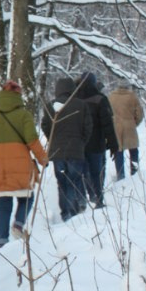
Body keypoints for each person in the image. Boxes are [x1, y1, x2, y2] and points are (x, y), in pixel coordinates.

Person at [0, 80, 48, 245]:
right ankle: (18, 224)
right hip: (19, 166)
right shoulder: (24, 115)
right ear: (18, 96)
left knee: (3, 204)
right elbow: (32, 140)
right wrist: (43, 159)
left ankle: (2, 241)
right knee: (27, 198)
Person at [41, 76, 93, 222]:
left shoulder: (50, 106)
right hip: (76, 150)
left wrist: (53, 139)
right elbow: (88, 127)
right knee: (74, 180)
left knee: (62, 183)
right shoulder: (81, 105)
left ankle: (66, 212)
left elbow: (45, 125)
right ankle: (74, 208)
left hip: (57, 152)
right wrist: (82, 141)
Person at [76, 71, 118, 208]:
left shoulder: (74, 100)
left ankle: (83, 200)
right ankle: (98, 199)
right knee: (97, 172)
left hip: (80, 143)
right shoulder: (100, 99)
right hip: (97, 143)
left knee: (83, 172)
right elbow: (108, 124)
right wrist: (113, 144)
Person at [108, 82, 144, 179]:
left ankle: (120, 175)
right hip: (129, 126)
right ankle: (134, 173)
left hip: (116, 126)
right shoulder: (132, 97)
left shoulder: (111, 97)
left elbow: (108, 112)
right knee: (133, 149)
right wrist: (134, 123)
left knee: (118, 151)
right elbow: (139, 113)